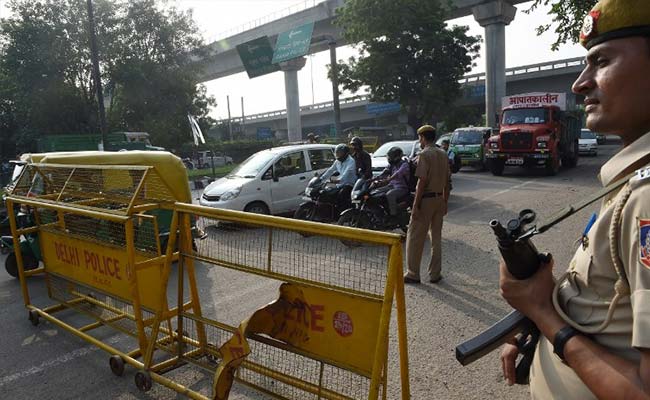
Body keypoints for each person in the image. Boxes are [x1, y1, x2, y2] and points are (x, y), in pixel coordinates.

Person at [499, 1, 650, 398]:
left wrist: (545, 315)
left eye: (601, 61)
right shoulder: (632, 178)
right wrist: (536, 325)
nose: (580, 83)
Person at [404, 125, 450, 284]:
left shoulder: (424, 154)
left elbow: (421, 182)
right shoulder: (443, 154)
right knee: (436, 238)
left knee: (415, 236)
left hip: (426, 200)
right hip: (439, 199)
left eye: (419, 138)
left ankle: (412, 273)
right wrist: (445, 202)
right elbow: (448, 182)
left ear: (423, 138)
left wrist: (415, 206)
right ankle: (435, 274)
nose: (419, 141)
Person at [372, 146, 410, 218]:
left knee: (390, 194)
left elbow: (398, 174)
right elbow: (384, 173)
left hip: (402, 188)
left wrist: (388, 179)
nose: (390, 158)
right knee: (375, 192)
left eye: (392, 156)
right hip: (392, 185)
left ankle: (393, 215)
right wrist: (374, 179)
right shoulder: (392, 165)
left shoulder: (404, 164)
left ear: (397, 157)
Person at [320, 144, 357, 212]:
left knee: (341, 195)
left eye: (340, 153)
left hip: (349, 183)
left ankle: (341, 212)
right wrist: (321, 178)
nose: (338, 154)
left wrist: (335, 182)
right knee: (324, 189)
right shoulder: (337, 161)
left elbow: (345, 175)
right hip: (339, 182)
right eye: (337, 152)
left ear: (345, 153)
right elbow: (330, 170)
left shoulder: (351, 161)